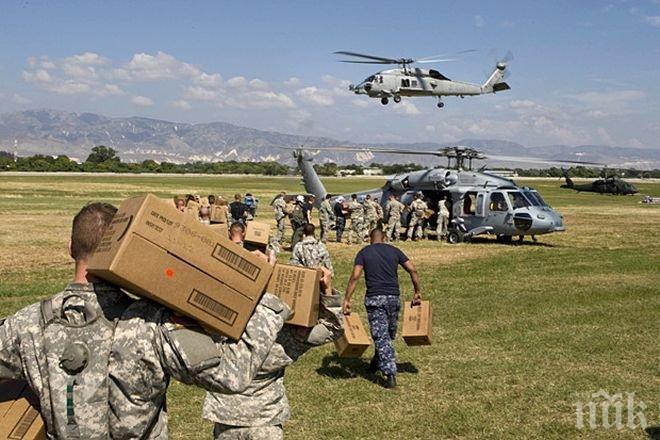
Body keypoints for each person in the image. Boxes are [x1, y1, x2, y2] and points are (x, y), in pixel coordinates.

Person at [0, 202, 289, 438]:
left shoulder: (28, 324)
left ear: (70, 248)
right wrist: (266, 298)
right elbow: (233, 373)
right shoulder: (149, 323)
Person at [343, 228, 421, 389]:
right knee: (387, 334)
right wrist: (417, 291)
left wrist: (347, 299)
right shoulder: (394, 251)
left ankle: (389, 372)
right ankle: (378, 361)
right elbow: (412, 269)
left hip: (375, 299)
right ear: (384, 238)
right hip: (393, 298)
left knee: (383, 335)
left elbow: (356, 275)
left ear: (370, 238)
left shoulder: (364, 253)